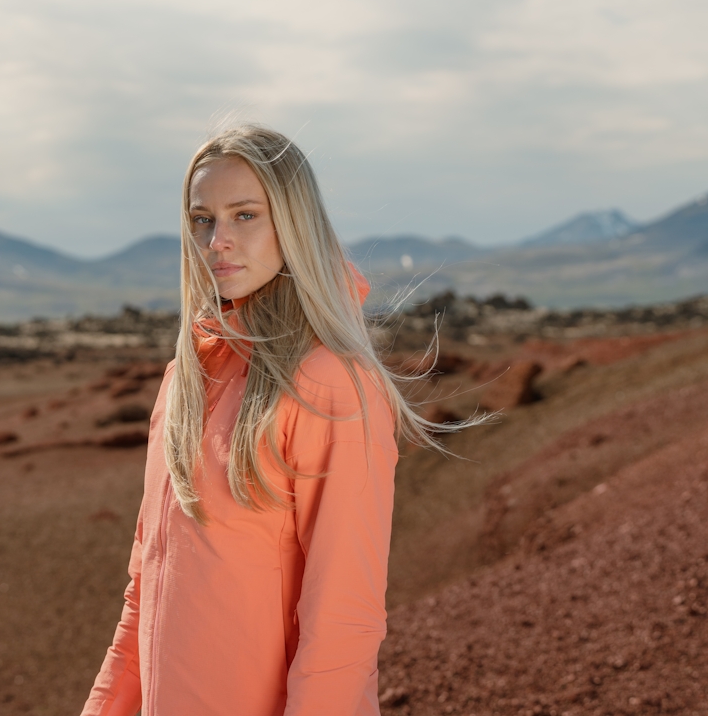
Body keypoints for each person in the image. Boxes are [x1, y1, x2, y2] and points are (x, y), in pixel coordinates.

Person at [81, 125, 459, 716]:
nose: (217, 242)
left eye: (245, 215)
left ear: (294, 222)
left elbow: (343, 624)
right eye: (202, 219)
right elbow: (145, 593)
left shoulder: (332, 383)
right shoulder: (184, 380)